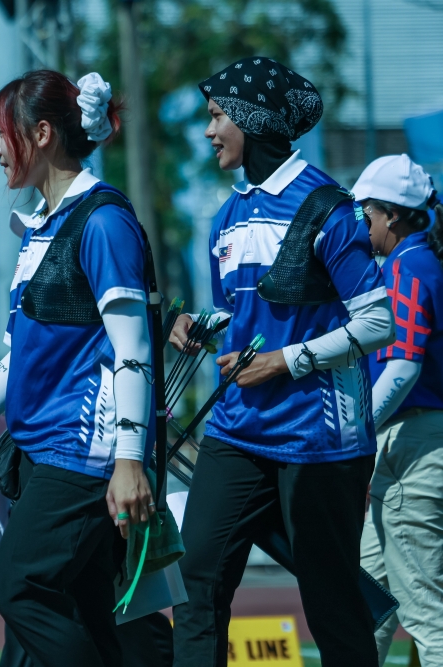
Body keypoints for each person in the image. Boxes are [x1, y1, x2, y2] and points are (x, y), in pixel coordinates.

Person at [0, 69, 162, 667]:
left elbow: (134, 351)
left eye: (2, 133)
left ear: (41, 134)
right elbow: (16, 360)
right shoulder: (43, 228)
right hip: (46, 450)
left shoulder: (103, 221)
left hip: (87, 454)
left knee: (19, 584)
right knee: (88, 610)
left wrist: (128, 461)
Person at [168, 58, 395, 667]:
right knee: (196, 584)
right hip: (237, 431)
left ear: (252, 120)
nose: (209, 131)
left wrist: (284, 362)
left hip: (320, 441)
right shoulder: (229, 212)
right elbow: (238, 316)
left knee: (331, 605)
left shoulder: (327, 206)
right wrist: (197, 324)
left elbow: (378, 321)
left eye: (217, 116)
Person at [352, 154, 443, 666]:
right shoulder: (422, 260)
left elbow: (403, 366)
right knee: (368, 605)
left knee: (426, 614)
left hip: (412, 450)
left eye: (365, 215)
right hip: (413, 446)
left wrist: (358, 433)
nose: (361, 227)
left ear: (391, 215)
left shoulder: (408, 264)